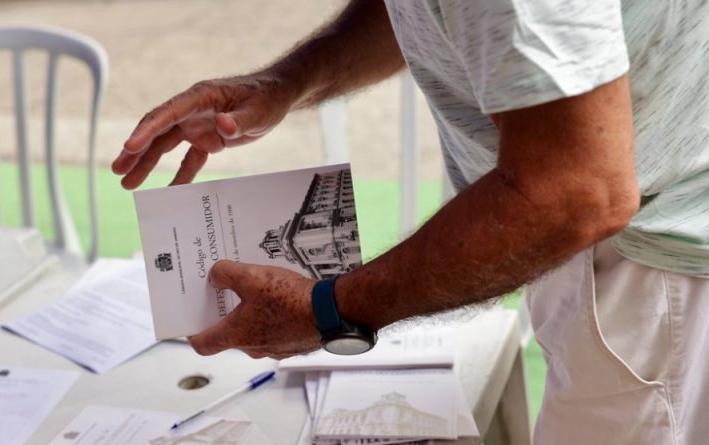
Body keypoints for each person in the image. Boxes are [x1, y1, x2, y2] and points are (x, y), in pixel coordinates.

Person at [113, 1, 709, 443]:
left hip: (649, 270)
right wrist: (287, 81)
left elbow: (576, 194)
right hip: (610, 246)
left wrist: (329, 309)